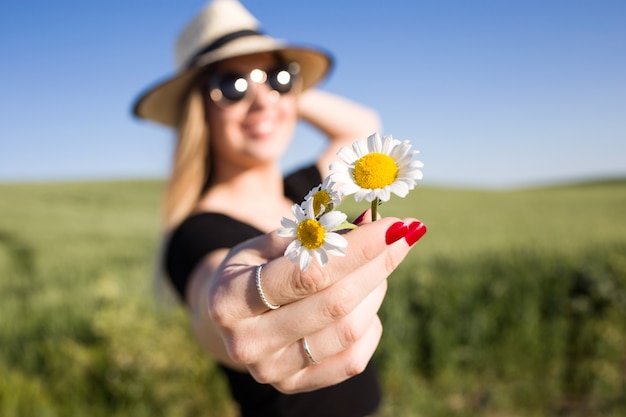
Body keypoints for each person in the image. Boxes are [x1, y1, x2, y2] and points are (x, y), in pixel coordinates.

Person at [132, 1, 426, 416]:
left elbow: (363, 127)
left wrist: (275, 95)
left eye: (278, 76)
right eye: (230, 85)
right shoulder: (197, 231)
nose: (261, 99)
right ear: (197, 111)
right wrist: (228, 310)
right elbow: (214, 302)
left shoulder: (306, 195)